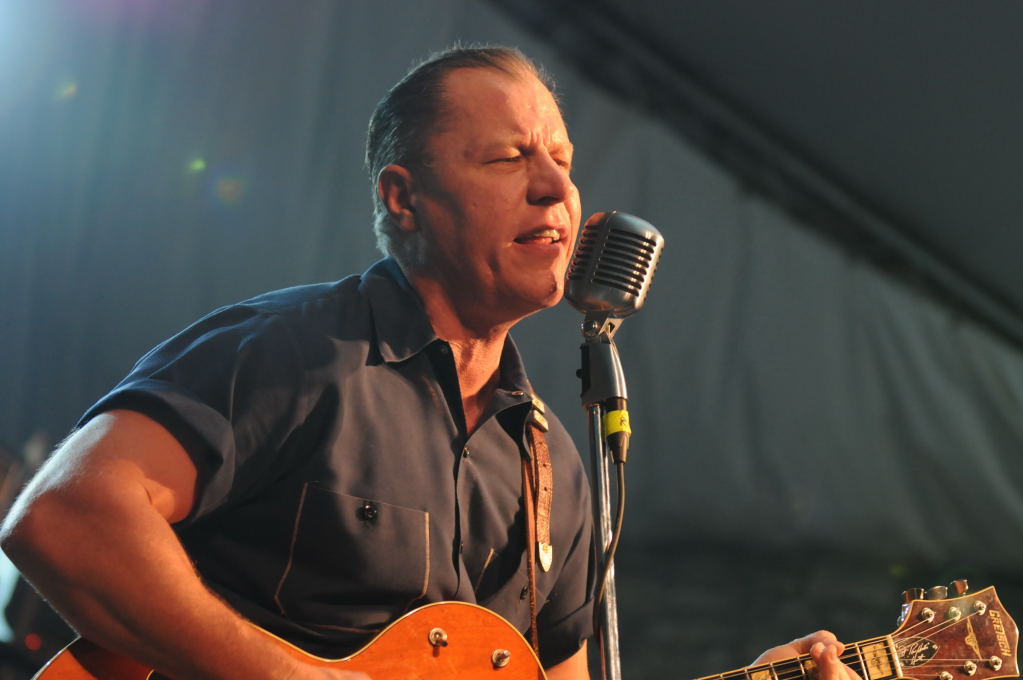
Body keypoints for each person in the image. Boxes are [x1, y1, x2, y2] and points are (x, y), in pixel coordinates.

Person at [0, 46, 859, 680]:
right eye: (508, 157)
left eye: (561, 161)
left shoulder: (554, 468)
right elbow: (63, 517)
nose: (555, 187)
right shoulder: (292, 351)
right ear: (403, 197)